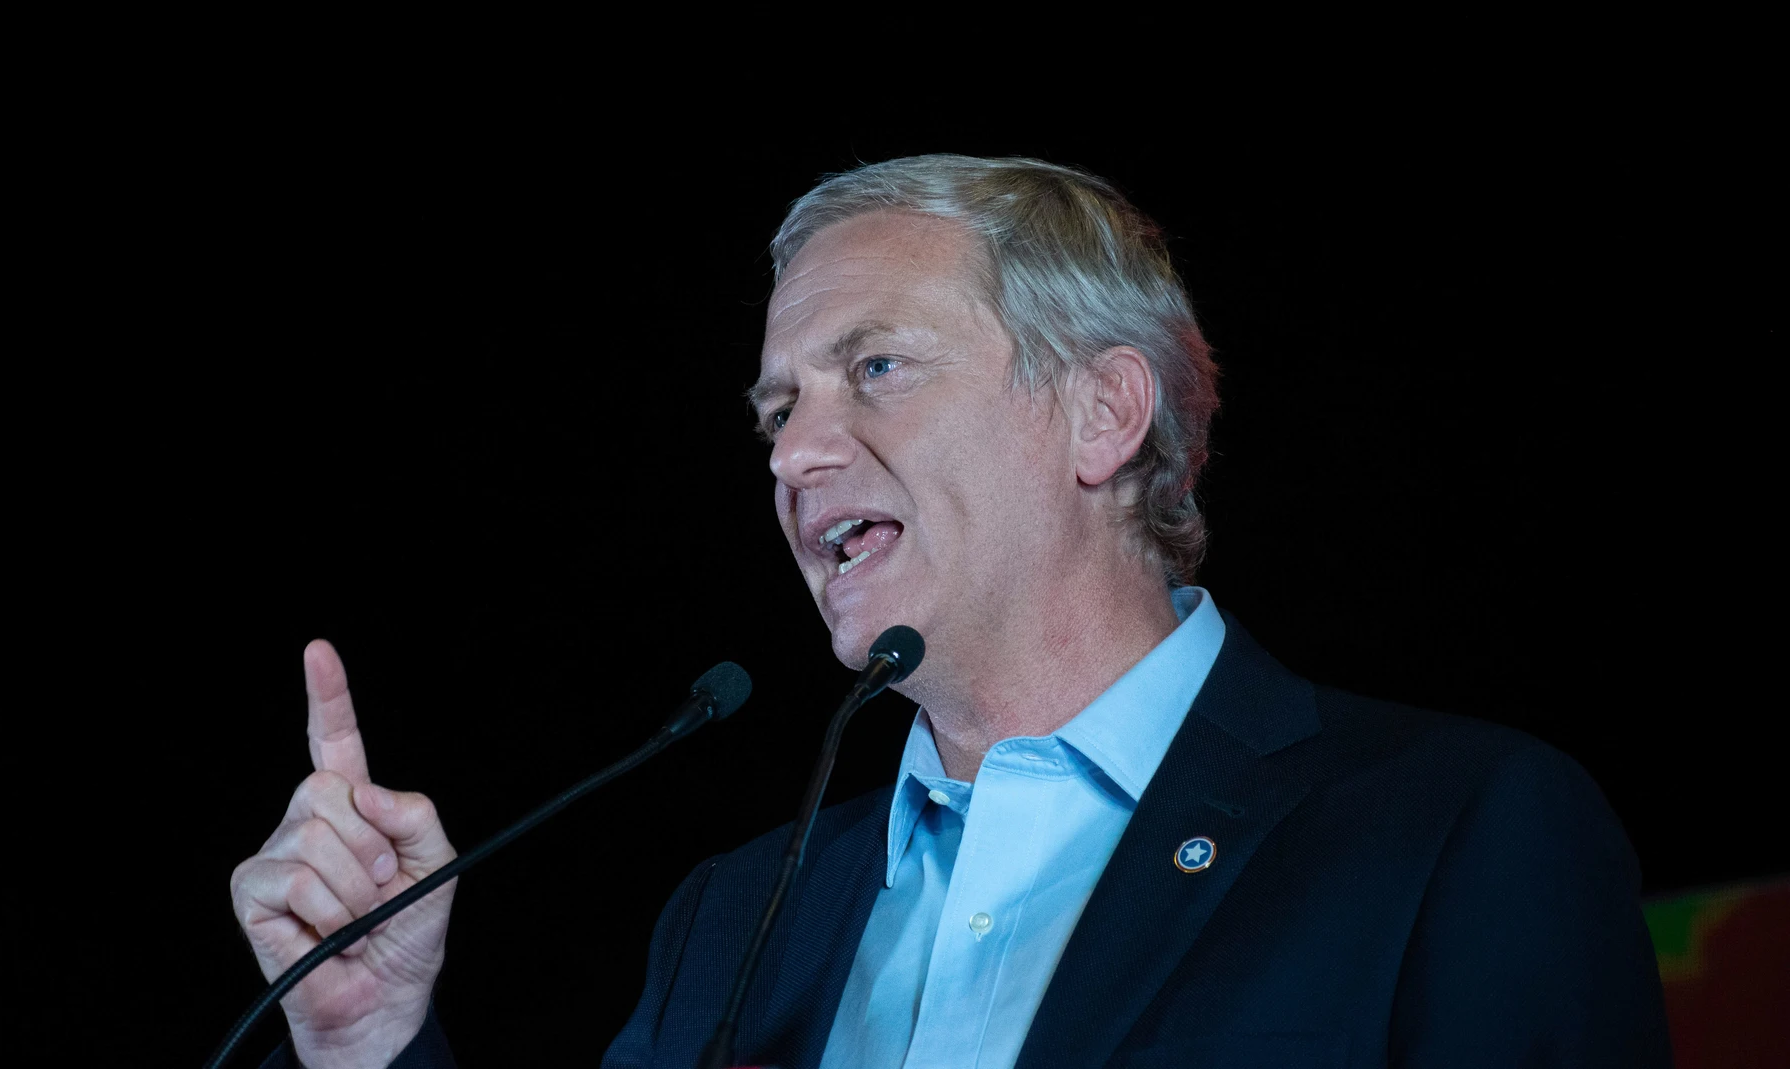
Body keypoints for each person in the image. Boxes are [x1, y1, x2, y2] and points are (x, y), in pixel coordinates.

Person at [231, 155, 1670, 1068]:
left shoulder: (1454, 833)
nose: (794, 451)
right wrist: (373, 1046)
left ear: (1103, 410)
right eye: (776, 408)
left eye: (877, 370)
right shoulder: (733, 920)